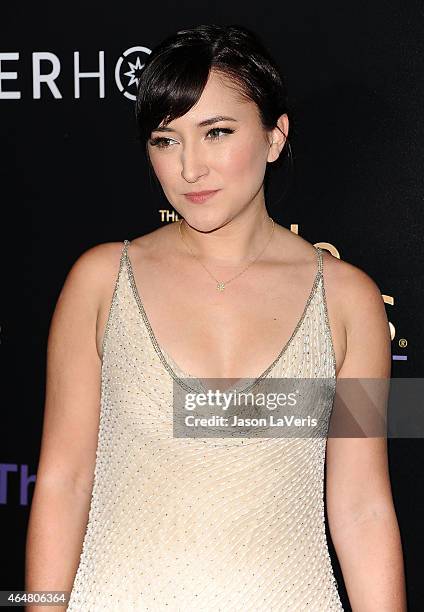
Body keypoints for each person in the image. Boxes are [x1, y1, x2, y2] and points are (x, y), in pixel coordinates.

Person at [26, 24, 406, 611]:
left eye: (217, 132)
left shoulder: (348, 301)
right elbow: (62, 482)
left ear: (275, 136)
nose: (190, 168)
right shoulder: (100, 281)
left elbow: (361, 506)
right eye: (166, 140)